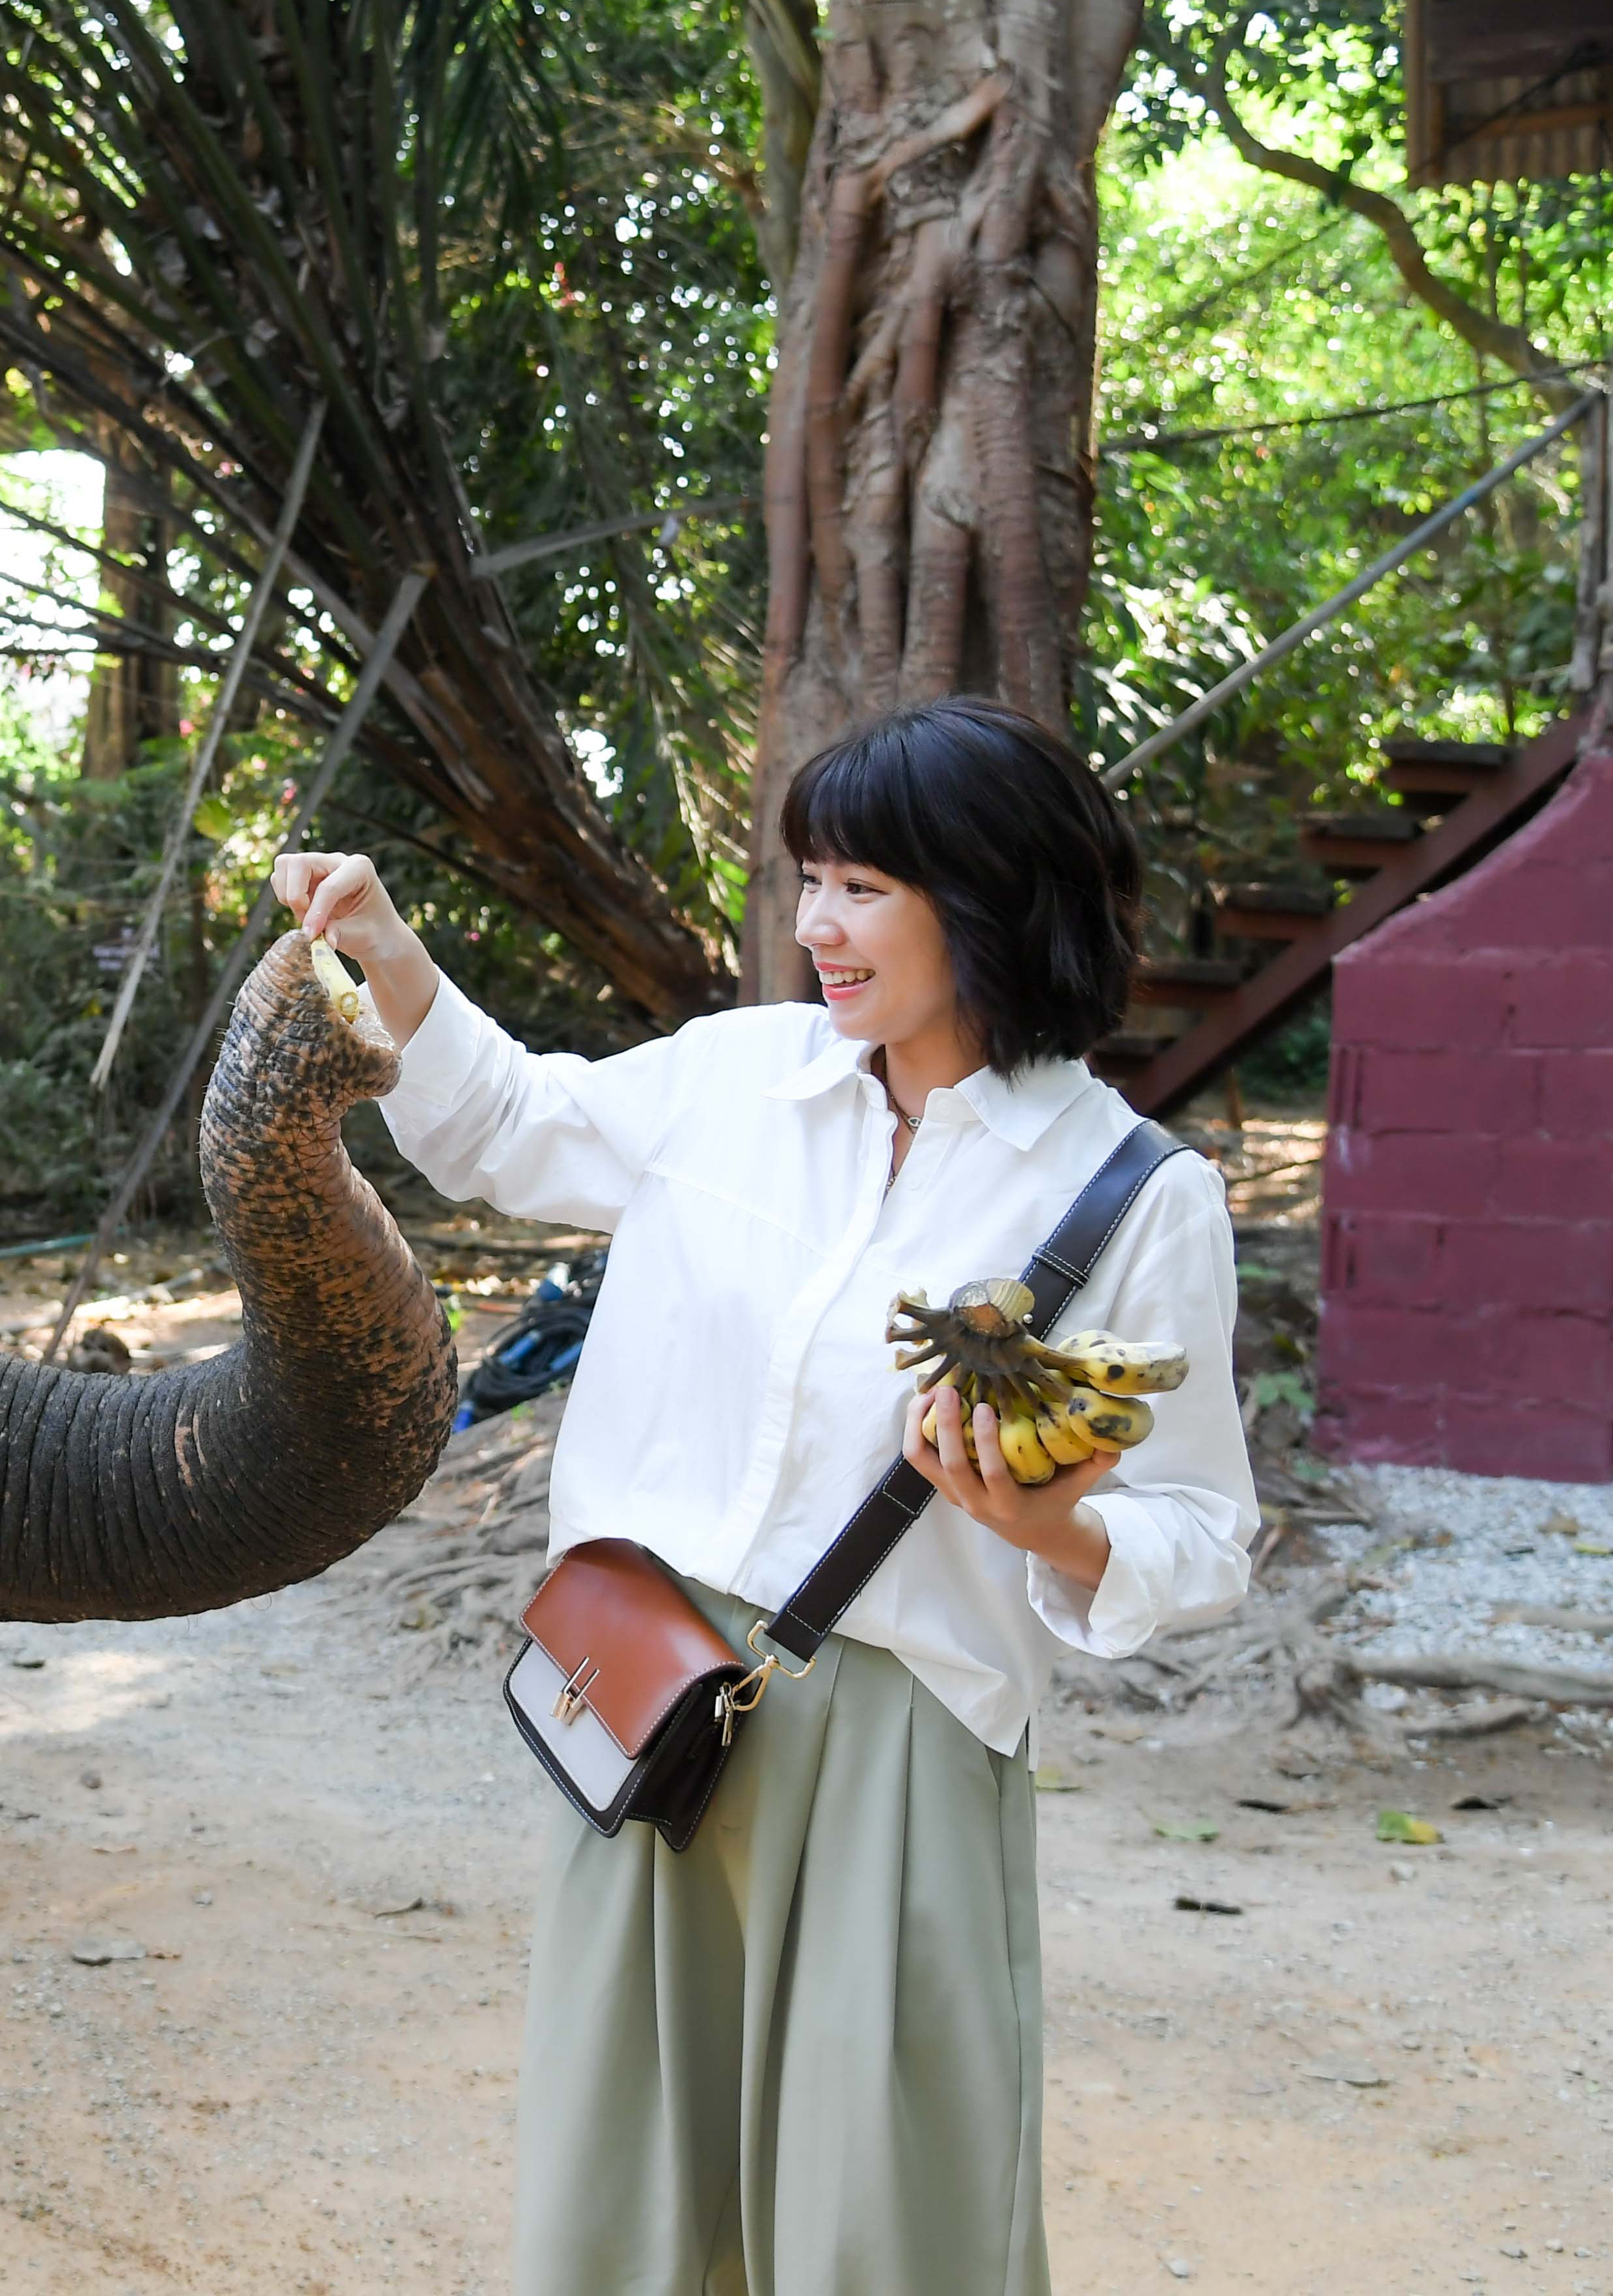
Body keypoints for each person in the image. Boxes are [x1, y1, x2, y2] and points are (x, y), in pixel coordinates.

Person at [272, 699, 1253, 2295]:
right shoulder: (738, 1077)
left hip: (903, 1742)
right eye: (809, 880)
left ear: (989, 894)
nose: (816, 926)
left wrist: (1041, 1523)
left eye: (862, 885)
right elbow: (507, 1127)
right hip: (658, 1699)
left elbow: (1205, 1527)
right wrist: (389, 953)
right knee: (627, 2208)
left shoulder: (1135, 1191)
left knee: (885, 2227)